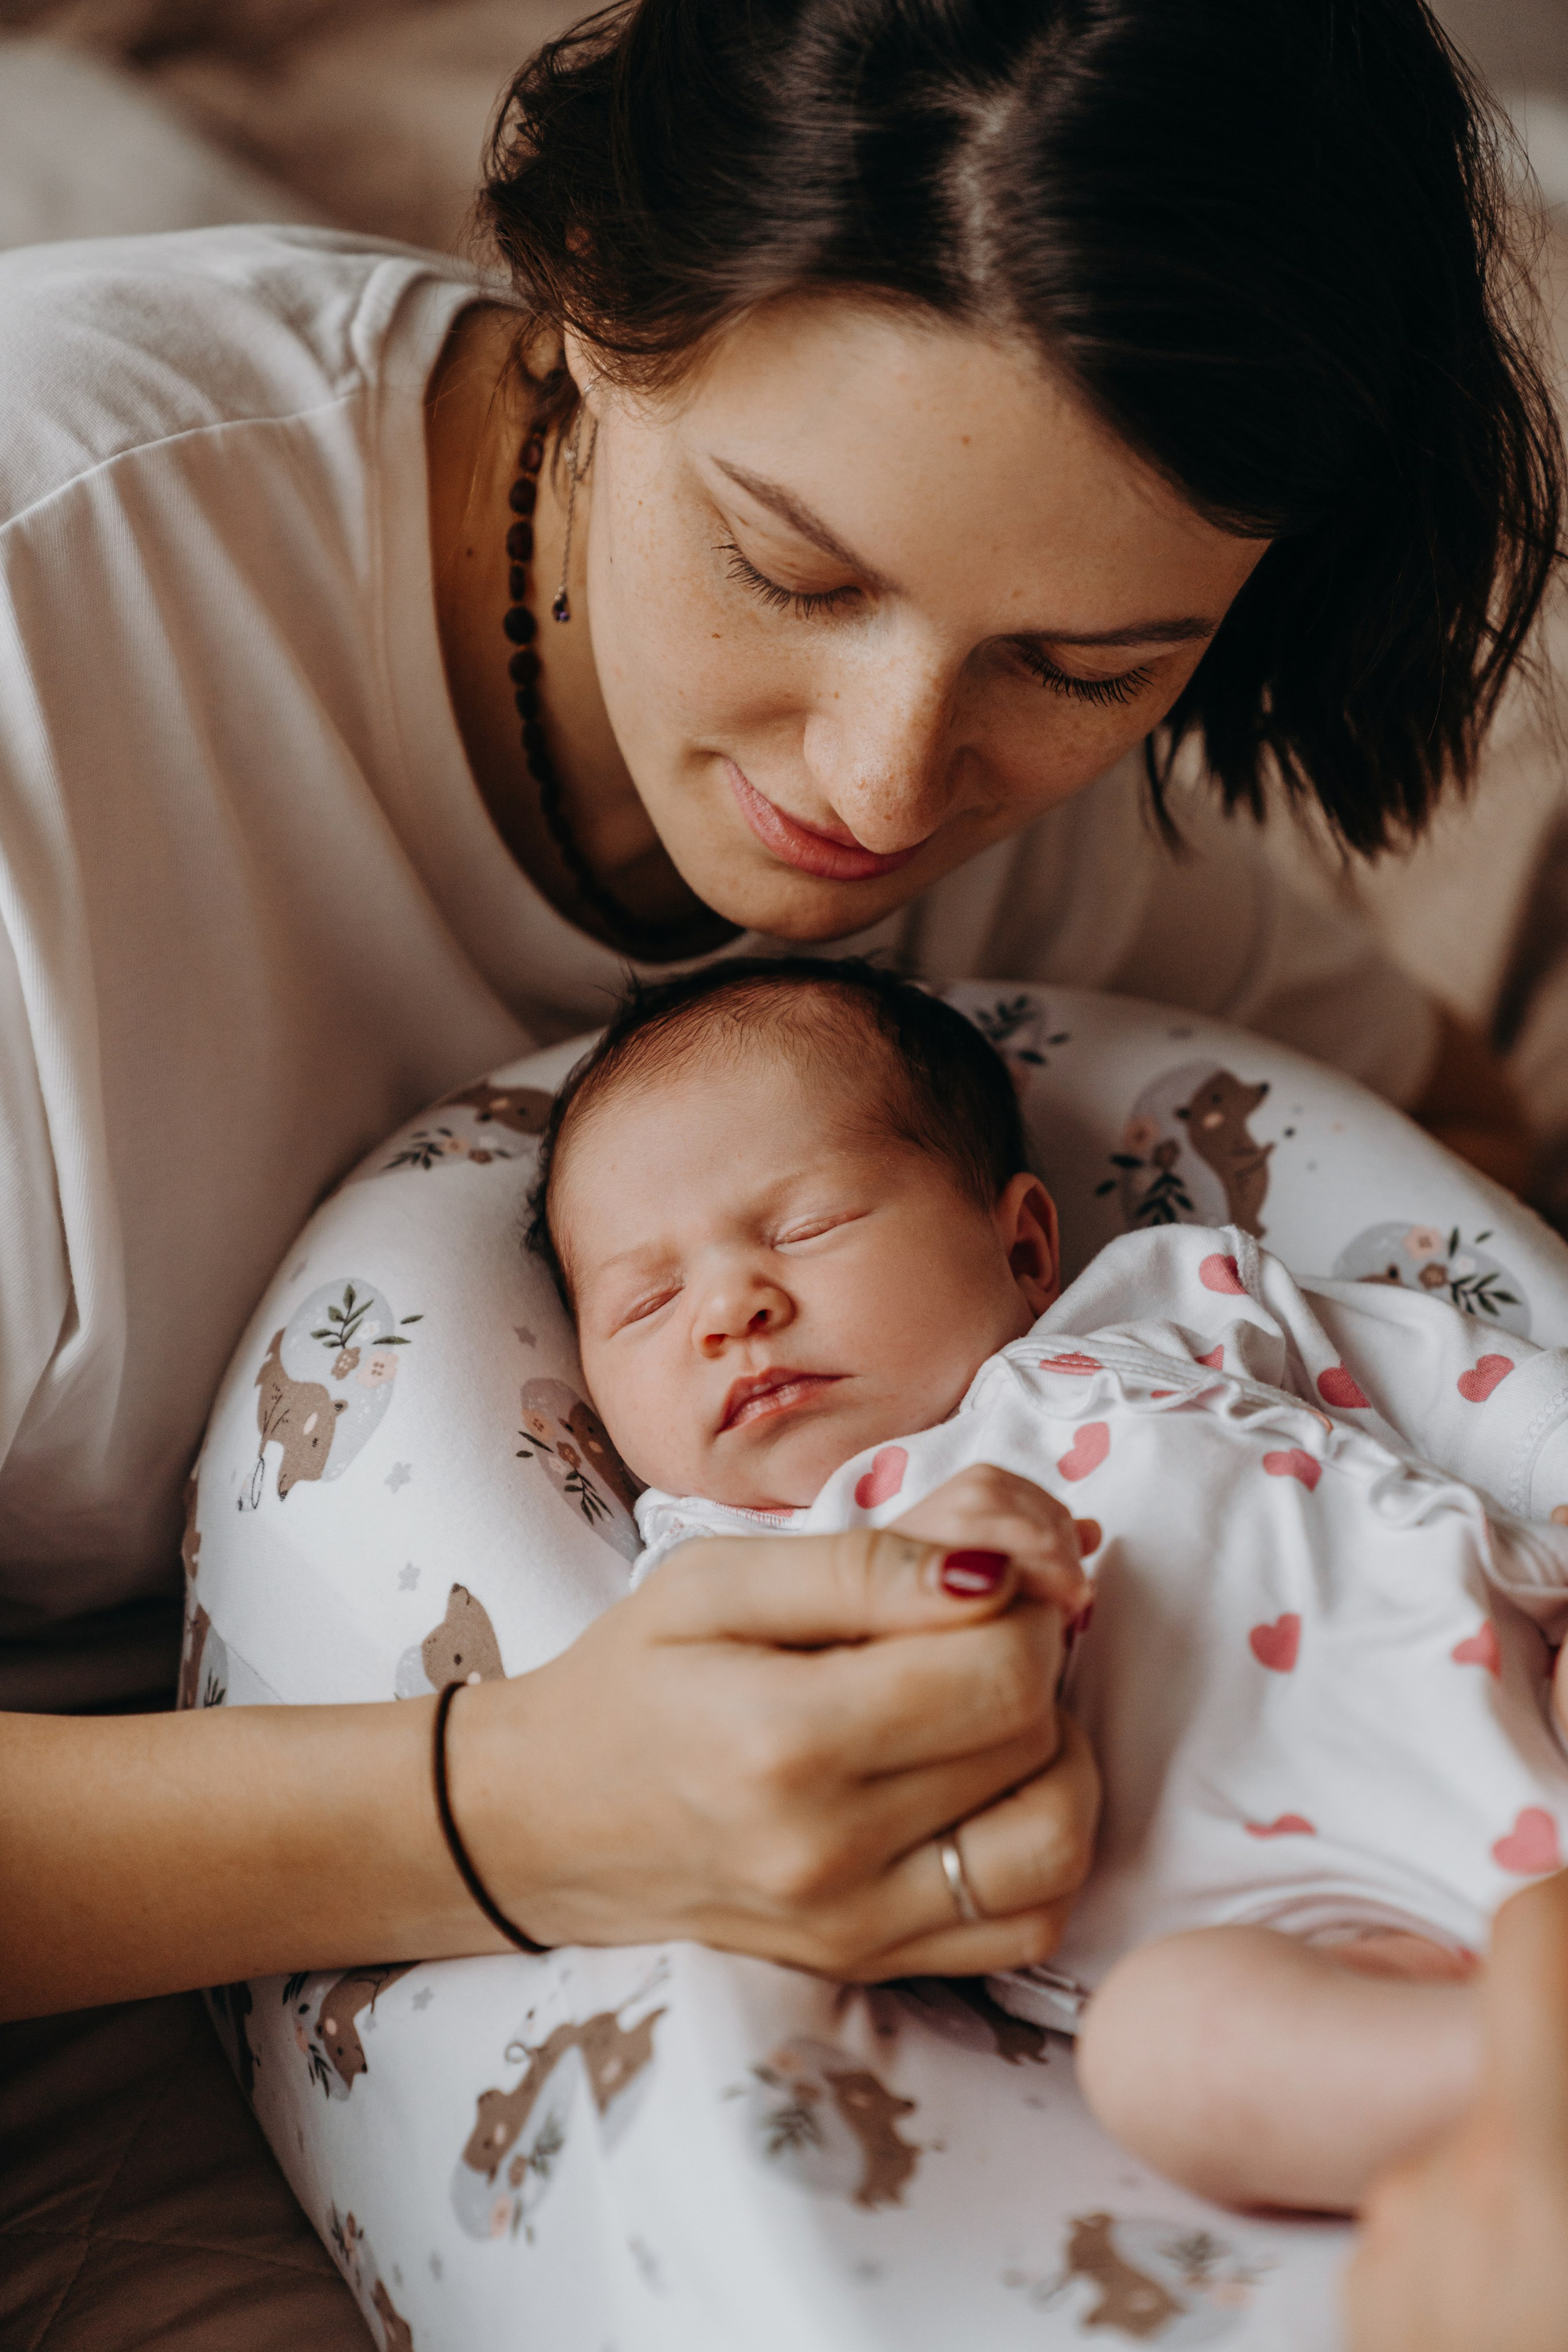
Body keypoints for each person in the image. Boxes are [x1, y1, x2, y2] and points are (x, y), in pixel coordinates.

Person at [0, 0, 1560, 2335]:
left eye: (1090, 659)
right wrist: (512, 1809)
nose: (886, 779)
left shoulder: (1046, 833)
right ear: (594, 299)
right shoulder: (59, 624)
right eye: (786, 568)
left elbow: (1441, 1153)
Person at [527, 953, 1568, 2217]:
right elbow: (795, 1796)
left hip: (1529, 1665)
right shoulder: (718, 1575)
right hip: (1317, 1938)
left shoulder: (1168, 1307)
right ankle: (1501, 2080)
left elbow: (1470, 1393)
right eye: (644, 1303)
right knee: (1164, 2055)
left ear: (1020, 1245)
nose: (729, 1308)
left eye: (806, 1226)